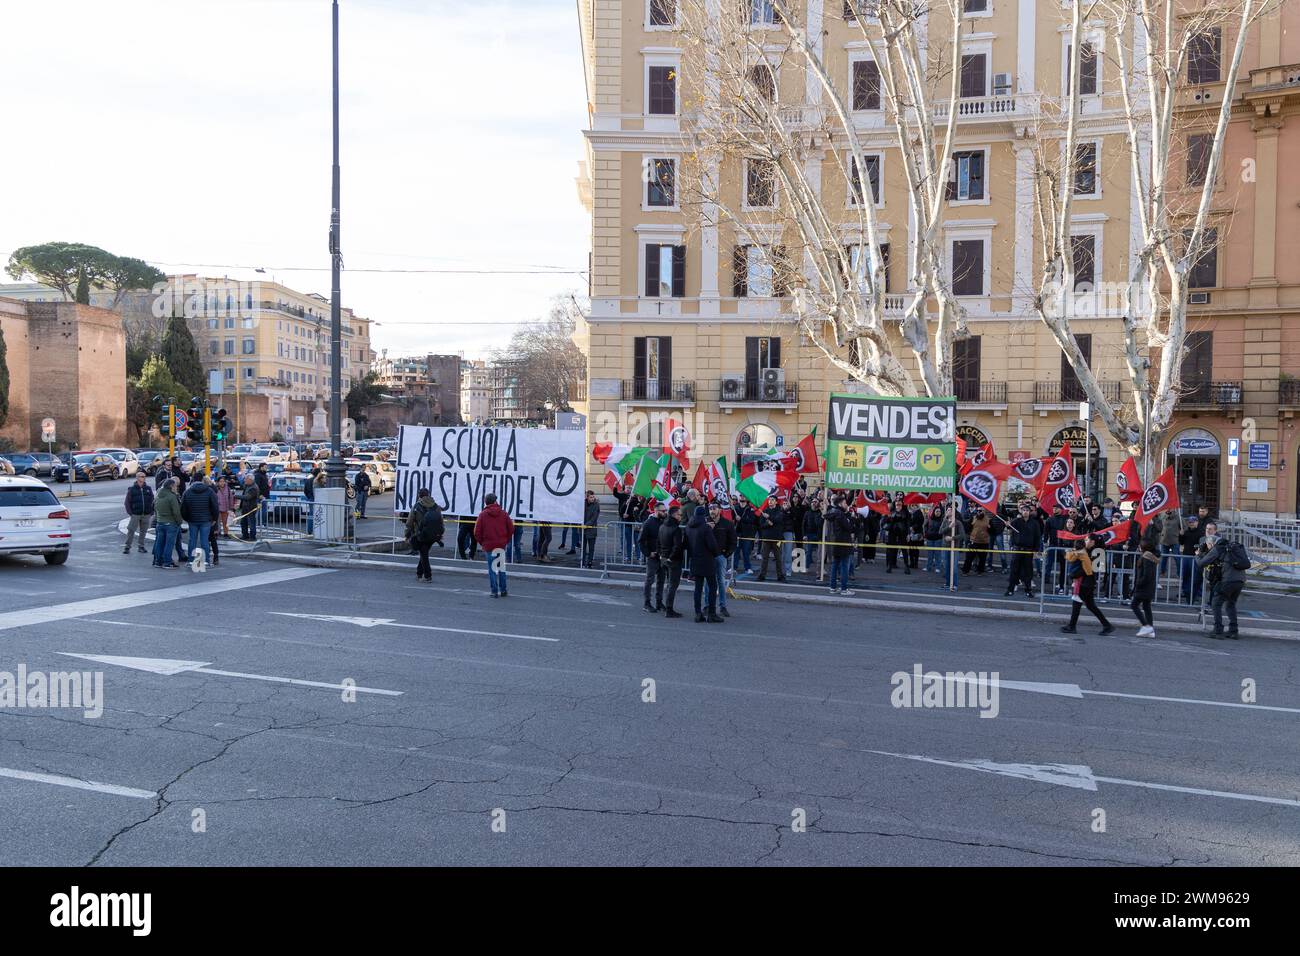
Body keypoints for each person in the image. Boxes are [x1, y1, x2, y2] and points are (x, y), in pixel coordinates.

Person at [1197, 524, 1248, 639]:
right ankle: (1233, 630)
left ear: (1212, 543)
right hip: (1240, 580)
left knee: (1216, 603)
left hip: (1228, 580)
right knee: (1230, 604)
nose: (1208, 547)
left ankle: (1218, 630)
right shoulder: (1230, 546)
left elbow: (1201, 563)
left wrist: (1198, 555)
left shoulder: (1217, 549)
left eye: (1208, 545)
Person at [1061, 534, 1114, 634]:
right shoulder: (1092, 551)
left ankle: (1072, 626)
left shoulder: (1097, 552)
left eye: (1087, 540)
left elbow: (1091, 569)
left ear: (1093, 542)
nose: (1085, 541)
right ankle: (1107, 625)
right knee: (1090, 605)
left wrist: (1074, 574)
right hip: (1087, 581)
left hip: (1086, 582)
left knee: (1077, 603)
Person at [685, 505, 722, 623]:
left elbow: (686, 544)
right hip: (707, 561)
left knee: (697, 588)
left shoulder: (689, 527)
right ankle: (711, 614)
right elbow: (712, 545)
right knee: (712, 587)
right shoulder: (705, 528)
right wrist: (717, 554)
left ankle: (698, 613)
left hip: (695, 560)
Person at [474, 492, 515, 598]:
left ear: (486, 502)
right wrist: (505, 540)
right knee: (501, 568)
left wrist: (482, 543)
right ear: (495, 501)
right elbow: (511, 529)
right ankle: (504, 590)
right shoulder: (504, 514)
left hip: (489, 545)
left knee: (491, 569)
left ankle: (494, 591)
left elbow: (477, 532)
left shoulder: (482, 515)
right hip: (500, 545)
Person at [1004, 501, 1042, 598]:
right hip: (1017, 549)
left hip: (1028, 550)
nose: (1025, 512)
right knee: (1014, 570)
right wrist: (1007, 524)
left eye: (1027, 510)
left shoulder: (1034, 523)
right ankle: (1010, 589)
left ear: (1029, 512)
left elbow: (1037, 537)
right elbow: (1009, 527)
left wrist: (1036, 550)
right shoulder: (1016, 521)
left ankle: (1028, 590)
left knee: (1028, 571)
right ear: (1021, 511)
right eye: (1023, 510)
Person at [406, 489, 444, 582]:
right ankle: (419, 573)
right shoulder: (436, 506)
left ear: (419, 496)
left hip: (421, 535)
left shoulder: (416, 506)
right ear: (429, 495)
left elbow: (409, 522)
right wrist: (440, 534)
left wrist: (407, 534)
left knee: (424, 555)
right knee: (424, 553)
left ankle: (428, 576)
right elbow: (440, 521)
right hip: (433, 535)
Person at [181, 476, 219, 563]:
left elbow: (183, 507)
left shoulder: (188, 492)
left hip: (192, 520)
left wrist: (187, 518)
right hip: (206, 520)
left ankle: (191, 560)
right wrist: (214, 519)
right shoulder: (210, 491)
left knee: (192, 540)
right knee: (204, 541)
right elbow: (215, 507)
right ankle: (206, 560)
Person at [658, 503, 686, 618]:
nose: (681, 517)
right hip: (673, 561)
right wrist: (671, 557)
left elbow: (658, 542)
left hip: (664, 559)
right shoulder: (676, 529)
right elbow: (677, 546)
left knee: (668, 584)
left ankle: (666, 606)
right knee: (672, 585)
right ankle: (669, 609)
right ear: (674, 515)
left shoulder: (662, 526)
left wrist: (662, 555)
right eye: (679, 515)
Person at [826, 494, 856, 595]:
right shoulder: (840, 514)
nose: (846, 504)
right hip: (843, 543)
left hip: (836, 543)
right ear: (840, 503)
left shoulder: (836, 513)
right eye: (844, 503)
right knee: (844, 566)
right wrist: (852, 518)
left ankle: (833, 587)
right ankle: (844, 589)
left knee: (835, 565)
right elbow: (848, 527)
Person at [641, 500, 667, 612]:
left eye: (666, 510)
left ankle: (659, 602)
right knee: (649, 580)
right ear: (656, 511)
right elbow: (641, 540)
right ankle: (647, 603)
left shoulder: (664, 522)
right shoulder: (648, 523)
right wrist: (648, 553)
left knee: (661, 580)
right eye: (663, 511)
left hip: (662, 556)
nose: (665, 512)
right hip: (653, 556)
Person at [710, 502, 735, 617]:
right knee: (707, 583)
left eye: (714, 508)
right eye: (710, 508)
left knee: (720, 581)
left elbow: (733, 541)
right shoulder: (704, 522)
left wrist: (727, 554)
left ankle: (723, 606)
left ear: (719, 510)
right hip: (708, 557)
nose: (712, 511)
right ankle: (707, 606)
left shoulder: (727, 524)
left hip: (721, 556)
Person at [151, 478, 182, 568]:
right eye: (175, 486)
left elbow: (154, 507)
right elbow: (176, 512)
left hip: (160, 522)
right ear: (171, 486)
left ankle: (157, 561)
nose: (176, 487)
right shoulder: (171, 496)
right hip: (171, 523)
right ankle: (167, 562)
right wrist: (179, 522)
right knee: (169, 544)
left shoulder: (158, 495)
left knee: (159, 543)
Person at [1131, 543, 1160, 637]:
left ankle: (1146, 626)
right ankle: (1150, 630)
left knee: (1134, 605)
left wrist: (1138, 584)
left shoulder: (1146, 557)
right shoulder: (1150, 557)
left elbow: (1146, 575)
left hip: (1143, 587)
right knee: (1147, 607)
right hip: (1149, 587)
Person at [123, 472, 155, 555]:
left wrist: (151, 511)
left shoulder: (148, 488)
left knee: (143, 531)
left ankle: (141, 546)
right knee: (131, 530)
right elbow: (127, 502)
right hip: (135, 514)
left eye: (144, 476)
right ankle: (127, 546)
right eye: (142, 476)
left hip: (146, 514)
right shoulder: (132, 489)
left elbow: (153, 500)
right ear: (137, 478)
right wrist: (131, 513)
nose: (143, 478)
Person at [756, 501, 787, 582]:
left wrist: (769, 517)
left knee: (778, 558)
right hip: (766, 538)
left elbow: (778, 519)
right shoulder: (765, 511)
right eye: (770, 500)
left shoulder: (779, 511)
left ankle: (780, 576)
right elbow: (761, 524)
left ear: (776, 502)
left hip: (777, 538)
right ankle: (762, 575)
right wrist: (767, 524)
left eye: (773, 499)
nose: (770, 501)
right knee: (764, 558)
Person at [1180, 514, 1206, 603]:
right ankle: (1185, 591)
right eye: (1190, 522)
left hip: (1195, 557)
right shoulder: (1186, 532)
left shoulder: (1201, 532)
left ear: (1197, 522)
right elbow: (1181, 542)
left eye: (1193, 522)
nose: (1191, 524)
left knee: (1196, 576)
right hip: (1186, 556)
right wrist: (1181, 535)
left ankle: (1198, 593)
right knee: (1186, 574)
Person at [963, 507, 992, 574]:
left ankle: (980, 571)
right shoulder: (973, 518)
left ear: (984, 512)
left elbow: (992, 531)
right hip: (974, 541)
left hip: (984, 542)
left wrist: (990, 528)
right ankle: (965, 571)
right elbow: (968, 527)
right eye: (977, 510)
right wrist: (970, 534)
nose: (978, 512)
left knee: (982, 558)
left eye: (980, 511)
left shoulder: (988, 520)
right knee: (969, 557)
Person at [733, 501, 758, 575]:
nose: (742, 497)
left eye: (743, 496)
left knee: (746, 552)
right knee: (736, 551)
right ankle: (734, 567)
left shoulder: (750, 509)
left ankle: (748, 567)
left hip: (747, 534)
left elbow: (752, 520)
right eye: (741, 495)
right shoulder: (735, 507)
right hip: (737, 532)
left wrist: (741, 519)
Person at [581, 491, 601, 569]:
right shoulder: (583, 504)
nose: (592, 498)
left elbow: (594, 518)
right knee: (583, 547)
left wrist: (587, 525)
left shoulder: (596, 505)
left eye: (593, 497)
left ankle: (590, 561)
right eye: (591, 497)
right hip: (583, 529)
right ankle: (582, 562)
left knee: (591, 547)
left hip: (591, 529)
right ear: (587, 497)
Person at [238, 474, 260, 541]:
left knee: (251, 522)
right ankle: (245, 535)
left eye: (246, 479)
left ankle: (252, 536)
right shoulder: (247, 485)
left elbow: (247, 497)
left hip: (251, 508)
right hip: (245, 507)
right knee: (243, 522)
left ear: (250, 480)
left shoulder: (254, 487)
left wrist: (236, 496)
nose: (244, 480)